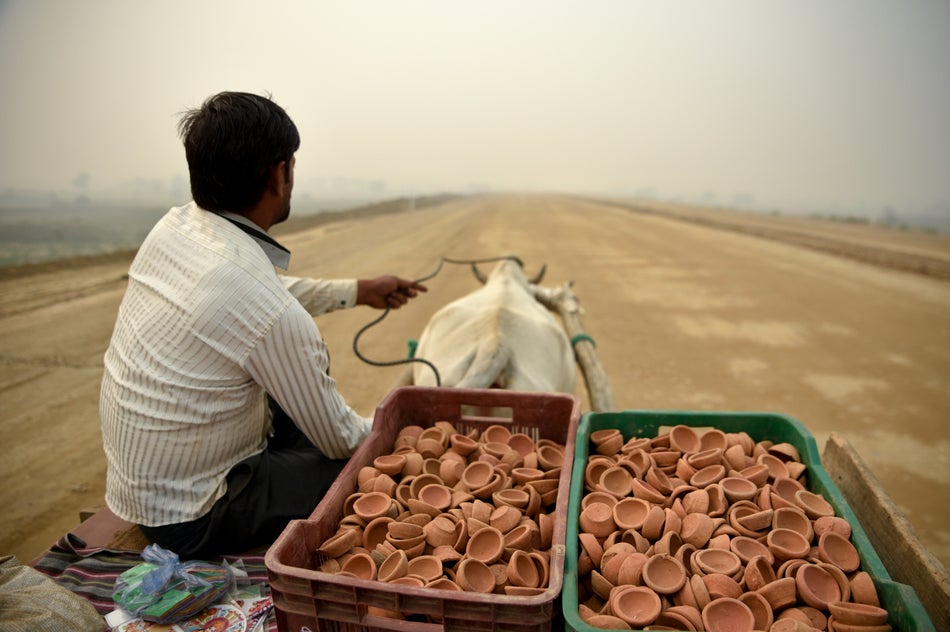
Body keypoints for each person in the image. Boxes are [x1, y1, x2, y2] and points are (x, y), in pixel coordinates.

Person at [99, 91, 426, 558]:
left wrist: (357, 290)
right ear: (281, 173)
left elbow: (249, 302)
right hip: (192, 515)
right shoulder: (269, 311)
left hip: (146, 489)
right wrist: (404, 441)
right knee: (362, 473)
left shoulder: (174, 228)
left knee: (294, 398)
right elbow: (341, 440)